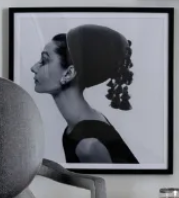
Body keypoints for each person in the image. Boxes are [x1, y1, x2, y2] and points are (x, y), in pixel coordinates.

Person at [31, 24, 139, 165]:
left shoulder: (88, 146)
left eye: (44, 61)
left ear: (69, 73)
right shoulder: (81, 125)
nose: (33, 68)